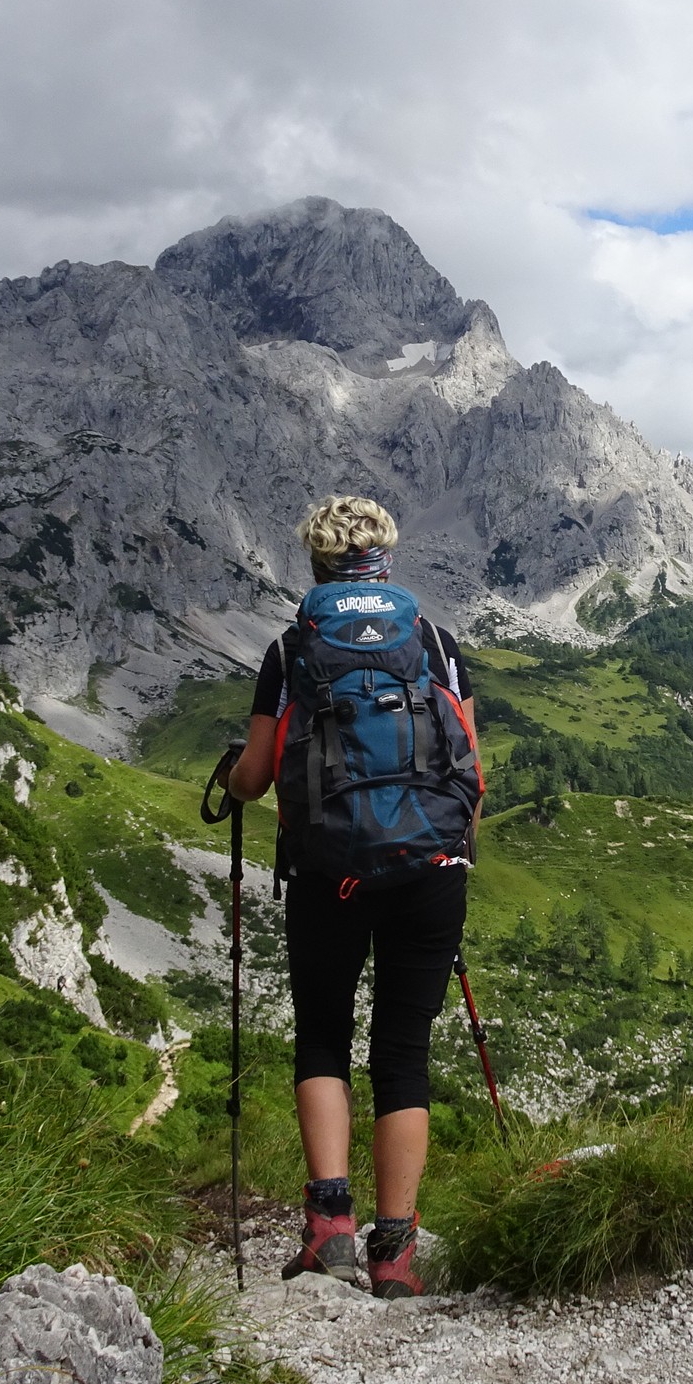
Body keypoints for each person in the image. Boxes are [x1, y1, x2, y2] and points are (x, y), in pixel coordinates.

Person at [222, 495, 479, 1299]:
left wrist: (229, 776)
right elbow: (472, 768)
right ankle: (395, 1253)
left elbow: (258, 778)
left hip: (327, 871)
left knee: (323, 1036)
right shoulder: (433, 640)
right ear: (387, 563)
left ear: (316, 566)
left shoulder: (291, 647)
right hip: (431, 871)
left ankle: (330, 1226)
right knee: (403, 1052)